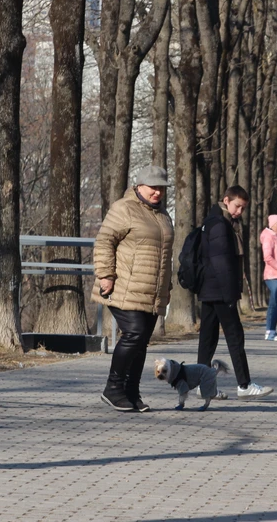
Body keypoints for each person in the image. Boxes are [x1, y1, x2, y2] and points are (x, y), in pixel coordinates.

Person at [91, 165, 175, 412]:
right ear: (138, 187)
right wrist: (105, 275)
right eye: (152, 187)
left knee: (141, 342)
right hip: (123, 285)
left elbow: (165, 256)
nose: (157, 192)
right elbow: (104, 241)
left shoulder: (163, 215)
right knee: (134, 334)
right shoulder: (124, 208)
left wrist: (166, 286)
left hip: (151, 290)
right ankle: (113, 388)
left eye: (161, 188)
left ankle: (131, 391)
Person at [197, 185, 274, 399]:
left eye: (243, 208)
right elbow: (222, 262)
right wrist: (230, 293)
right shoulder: (221, 225)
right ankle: (244, 384)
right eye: (237, 206)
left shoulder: (214, 221)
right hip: (221, 289)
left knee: (208, 337)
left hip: (209, 288)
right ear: (226, 200)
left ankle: (201, 385)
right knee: (234, 335)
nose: (239, 211)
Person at [260, 215, 277, 341]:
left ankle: (272, 330)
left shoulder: (276, 237)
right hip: (271, 276)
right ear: (271, 225)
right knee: (275, 301)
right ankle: (269, 331)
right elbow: (267, 257)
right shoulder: (268, 237)